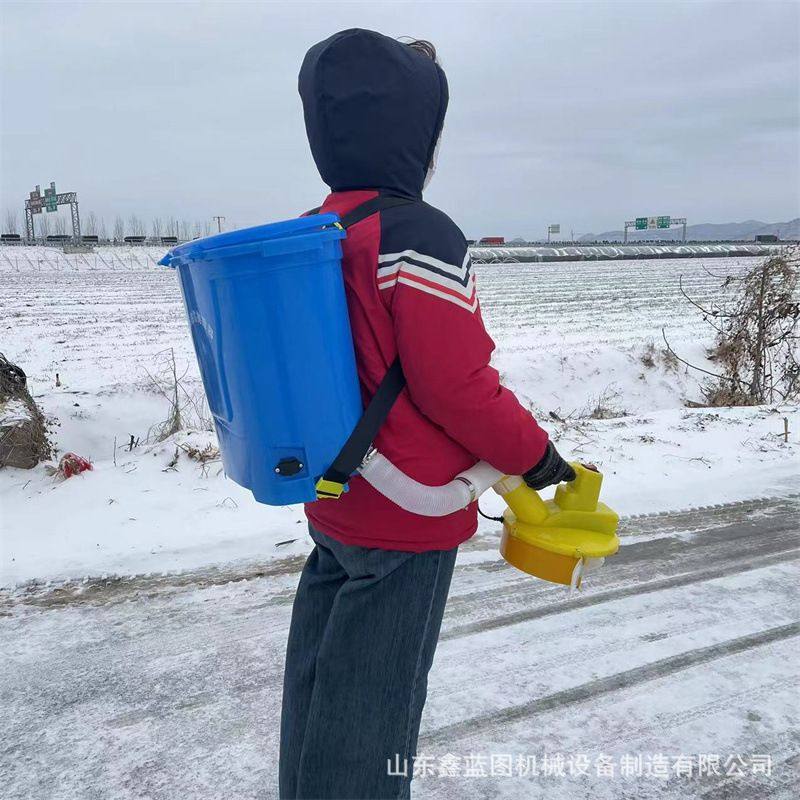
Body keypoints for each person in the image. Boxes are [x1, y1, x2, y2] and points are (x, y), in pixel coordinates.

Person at [279, 28, 575, 800]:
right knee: (374, 717)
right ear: (416, 133)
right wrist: (538, 457)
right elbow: (457, 385)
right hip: (407, 518)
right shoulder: (420, 236)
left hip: (335, 500)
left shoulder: (316, 230)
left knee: (318, 694)